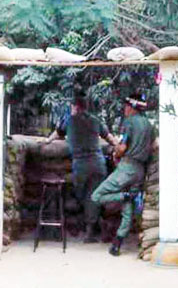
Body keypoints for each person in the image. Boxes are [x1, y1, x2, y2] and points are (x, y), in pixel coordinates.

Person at [45, 89, 119, 243]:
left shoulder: (69, 120)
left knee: (81, 196)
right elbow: (110, 138)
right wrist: (120, 147)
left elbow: (57, 133)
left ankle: (90, 231)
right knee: (94, 197)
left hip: (81, 165)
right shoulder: (95, 120)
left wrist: (46, 141)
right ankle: (98, 226)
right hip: (98, 164)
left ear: (75, 107)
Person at [91, 93, 156, 256]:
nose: (125, 109)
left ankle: (124, 196)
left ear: (132, 107)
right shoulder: (150, 125)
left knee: (96, 196)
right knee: (128, 210)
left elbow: (122, 148)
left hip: (127, 168)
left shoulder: (129, 123)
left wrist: (115, 152)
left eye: (126, 106)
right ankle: (116, 244)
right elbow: (154, 146)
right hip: (140, 171)